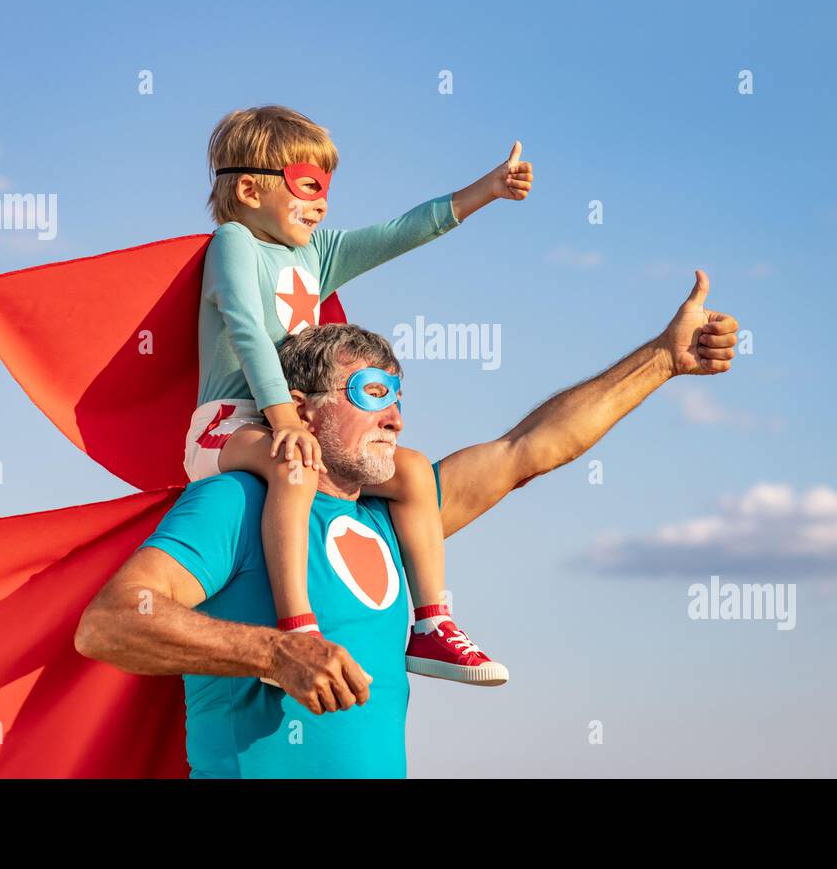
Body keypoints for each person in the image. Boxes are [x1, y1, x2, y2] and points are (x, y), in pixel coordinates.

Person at [74, 270, 740, 778]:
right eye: (370, 395)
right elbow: (110, 622)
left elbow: (529, 449)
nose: (394, 417)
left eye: (398, 396)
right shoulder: (236, 504)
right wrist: (273, 652)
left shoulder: (395, 525)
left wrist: (662, 360)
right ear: (300, 411)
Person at [191, 105, 532, 684]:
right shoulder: (234, 243)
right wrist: (282, 418)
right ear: (249, 188)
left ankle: (431, 626)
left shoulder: (316, 255)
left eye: (327, 188)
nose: (322, 202)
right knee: (294, 468)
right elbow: (245, 325)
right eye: (307, 184)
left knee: (414, 471)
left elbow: (399, 233)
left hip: (296, 417)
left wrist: (486, 190)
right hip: (229, 424)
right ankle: (296, 627)